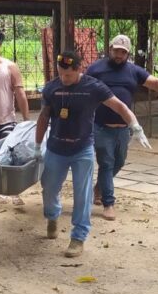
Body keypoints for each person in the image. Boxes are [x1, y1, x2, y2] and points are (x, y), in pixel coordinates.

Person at [34, 51, 151, 258]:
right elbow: (43, 117)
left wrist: (135, 126)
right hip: (56, 148)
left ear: (78, 70)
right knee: (49, 189)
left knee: (83, 193)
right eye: (61, 74)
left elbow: (120, 106)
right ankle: (52, 215)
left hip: (82, 149)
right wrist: (37, 145)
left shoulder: (93, 86)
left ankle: (78, 237)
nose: (64, 79)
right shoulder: (52, 88)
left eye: (68, 75)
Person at [86, 34, 158, 221]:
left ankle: (100, 187)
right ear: (110, 49)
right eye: (116, 50)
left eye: (123, 52)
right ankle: (108, 203)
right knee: (107, 163)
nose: (119, 55)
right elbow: (81, 86)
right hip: (101, 126)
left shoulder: (133, 71)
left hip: (123, 128)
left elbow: (156, 83)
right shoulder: (96, 69)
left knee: (119, 162)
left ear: (128, 54)